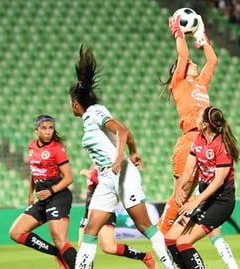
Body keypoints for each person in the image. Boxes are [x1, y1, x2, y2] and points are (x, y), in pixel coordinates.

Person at [69, 45, 175, 269]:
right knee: (90, 229)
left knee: (144, 225)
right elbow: (127, 135)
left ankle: (171, 266)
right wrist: (134, 151)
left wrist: (120, 158)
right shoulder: (89, 120)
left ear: (75, 103)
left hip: (122, 173)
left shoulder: (96, 111)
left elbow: (123, 130)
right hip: (107, 178)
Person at [159, 14, 240, 268]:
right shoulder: (179, 82)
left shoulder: (201, 84)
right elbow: (182, 57)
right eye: (189, 63)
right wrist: (178, 33)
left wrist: (201, 37)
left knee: (195, 196)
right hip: (190, 140)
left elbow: (213, 59)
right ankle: (163, 237)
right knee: (181, 194)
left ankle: (170, 241)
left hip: (207, 140)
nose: (192, 64)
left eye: (194, 63)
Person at [170, 106, 240, 268]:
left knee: (184, 243)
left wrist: (196, 201)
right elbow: (188, 170)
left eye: (200, 118)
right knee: (173, 241)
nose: (197, 120)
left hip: (221, 202)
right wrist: (178, 188)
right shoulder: (199, 139)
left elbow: (219, 181)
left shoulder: (222, 146)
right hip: (207, 200)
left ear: (205, 124)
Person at [9, 115, 77, 269]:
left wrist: (50, 191)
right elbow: (35, 171)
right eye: (44, 128)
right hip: (43, 198)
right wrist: (30, 193)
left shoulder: (56, 149)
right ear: (36, 130)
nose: (48, 132)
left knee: (60, 240)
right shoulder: (32, 146)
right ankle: (58, 254)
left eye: (51, 128)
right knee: (16, 233)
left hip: (58, 196)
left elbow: (68, 178)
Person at [78, 164, 156, 268]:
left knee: (108, 247)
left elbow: (112, 182)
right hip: (89, 210)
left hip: (104, 209)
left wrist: (91, 177)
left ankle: (144, 256)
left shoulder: (108, 163)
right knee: (82, 245)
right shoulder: (94, 165)